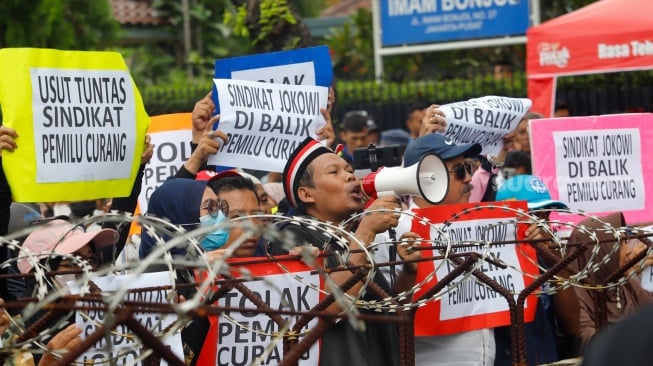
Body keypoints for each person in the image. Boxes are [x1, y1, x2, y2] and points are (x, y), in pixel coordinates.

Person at [268, 137, 420, 366]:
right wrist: (366, 231)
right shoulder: (291, 236)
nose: (350, 176)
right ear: (307, 194)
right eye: (334, 172)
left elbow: (391, 313)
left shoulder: (350, 237)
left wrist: (408, 271)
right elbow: (328, 307)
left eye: (349, 170)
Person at [395, 133, 501, 366]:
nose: (468, 180)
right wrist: (409, 271)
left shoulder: (476, 224)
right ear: (428, 178)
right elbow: (390, 313)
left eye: (468, 168)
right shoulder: (398, 231)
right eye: (459, 171)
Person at [494, 174, 579, 365]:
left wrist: (553, 259)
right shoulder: (493, 264)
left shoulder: (547, 256)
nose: (543, 225)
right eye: (534, 216)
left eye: (545, 216)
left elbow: (572, 324)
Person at [569, 212, 653, 354]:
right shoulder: (577, 295)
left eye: (625, 242)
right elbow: (591, 341)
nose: (627, 251)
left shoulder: (626, 285)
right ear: (596, 253)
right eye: (617, 244)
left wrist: (640, 276)